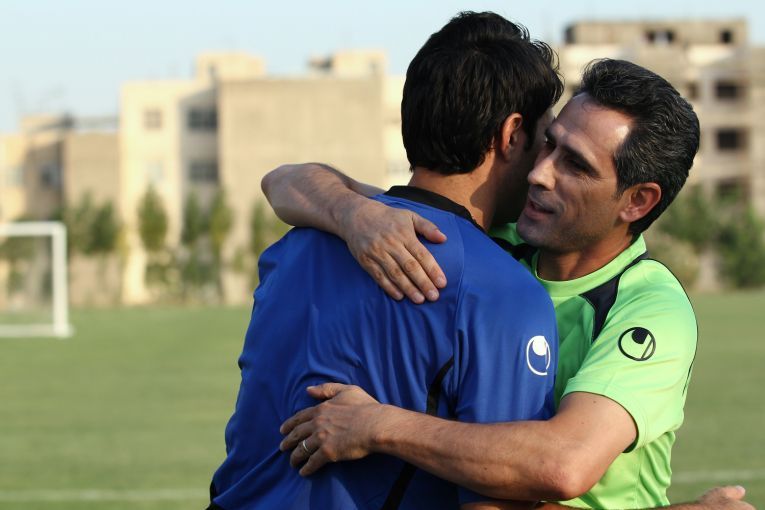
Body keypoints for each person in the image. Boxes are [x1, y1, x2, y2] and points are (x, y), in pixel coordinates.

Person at [267, 60, 753, 510]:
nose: (539, 173)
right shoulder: (492, 242)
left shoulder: (650, 308)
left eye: (576, 165)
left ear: (637, 201)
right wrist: (354, 214)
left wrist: (379, 426)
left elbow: (563, 464)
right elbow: (285, 181)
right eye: (550, 144)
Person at [207, 12, 565, 510]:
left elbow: (286, 179)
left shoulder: (295, 246)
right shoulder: (501, 292)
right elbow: (498, 498)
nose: (547, 164)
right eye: (546, 140)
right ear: (512, 134)